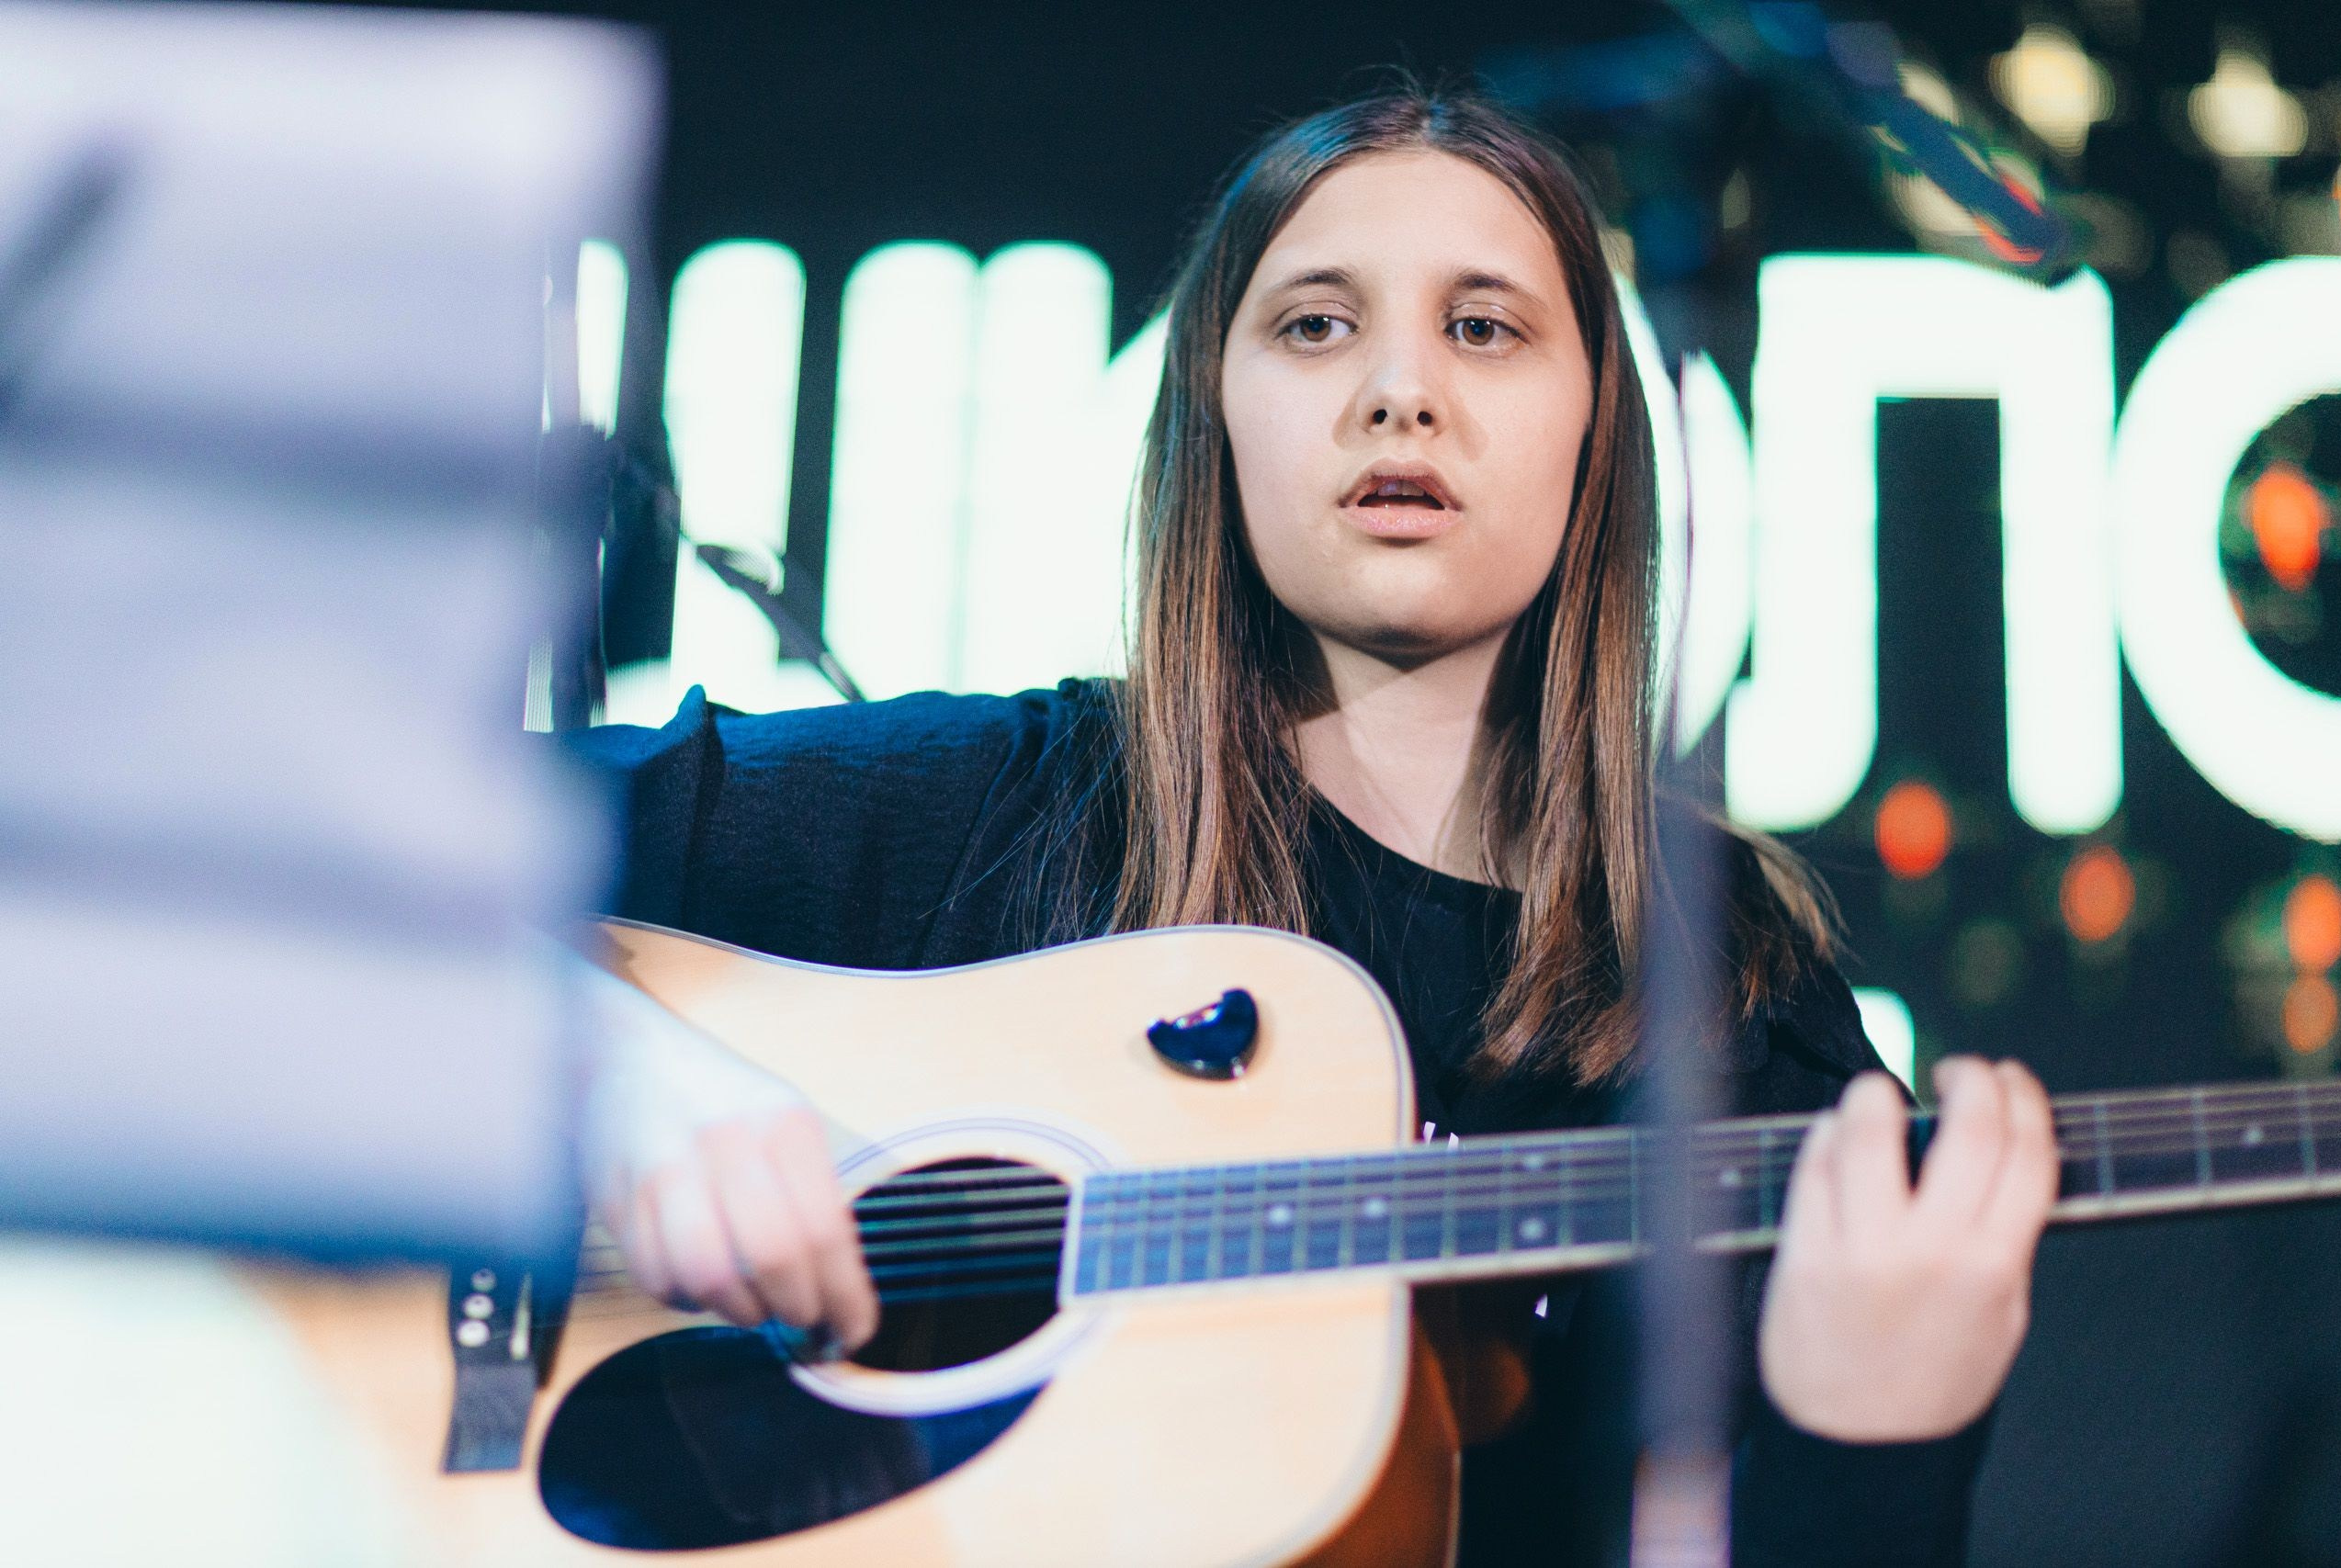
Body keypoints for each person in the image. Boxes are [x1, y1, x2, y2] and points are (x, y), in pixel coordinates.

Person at [562, 83, 2059, 1566]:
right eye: (1317, 325)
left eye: (1486, 328)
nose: (1401, 391)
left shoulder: (1732, 1009)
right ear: (1214, 407)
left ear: (1596, 428)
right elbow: (422, 865)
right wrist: (627, 1083)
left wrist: (1877, 1445)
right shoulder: (1000, 807)